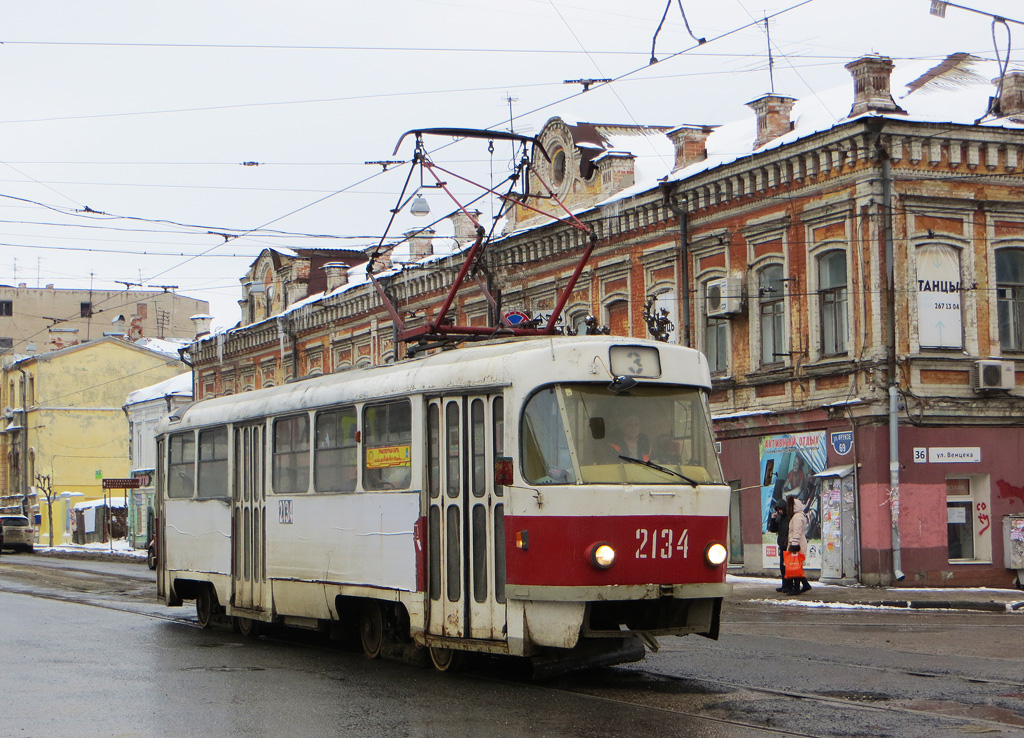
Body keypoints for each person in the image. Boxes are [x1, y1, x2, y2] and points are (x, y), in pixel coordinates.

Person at [786, 495, 812, 595]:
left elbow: (796, 532)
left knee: (795, 566)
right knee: (797, 566)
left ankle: (797, 588)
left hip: (797, 543)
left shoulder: (797, 517)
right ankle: (805, 585)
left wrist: (794, 544)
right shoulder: (799, 516)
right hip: (798, 542)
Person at [768, 497, 792, 593]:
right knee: (782, 567)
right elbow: (773, 529)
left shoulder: (789, 518)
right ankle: (784, 585)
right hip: (782, 545)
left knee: (787, 567)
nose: (779, 511)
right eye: (778, 510)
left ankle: (788, 586)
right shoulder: (780, 517)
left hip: (787, 545)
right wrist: (773, 519)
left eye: (780, 509)